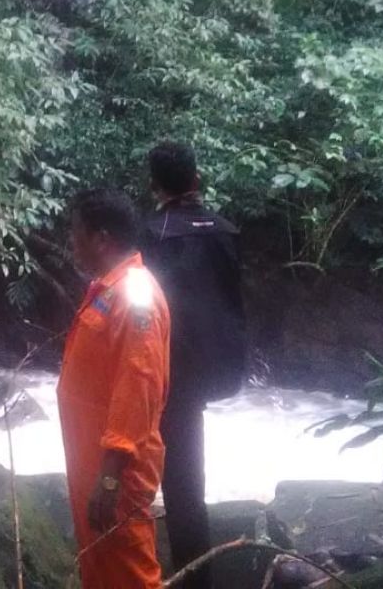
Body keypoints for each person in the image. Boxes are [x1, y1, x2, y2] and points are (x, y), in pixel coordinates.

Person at [142, 142, 247, 589]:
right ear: (196, 179)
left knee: (174, 484)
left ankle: (179, 575)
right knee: (188, 484)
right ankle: (195, 575)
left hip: (168, 368)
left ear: (154, 185)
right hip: (215, 365)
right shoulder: (225, 231)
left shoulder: (152, 233)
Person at [58, 188, 171, 589]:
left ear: (101, 238)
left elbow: (139, 381)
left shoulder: (136, 295)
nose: (72, 243)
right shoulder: (112, 287)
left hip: (117, 469)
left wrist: (111, 473)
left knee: (131, 571)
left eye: (77, 233)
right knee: (101, 566)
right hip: (92, 461)